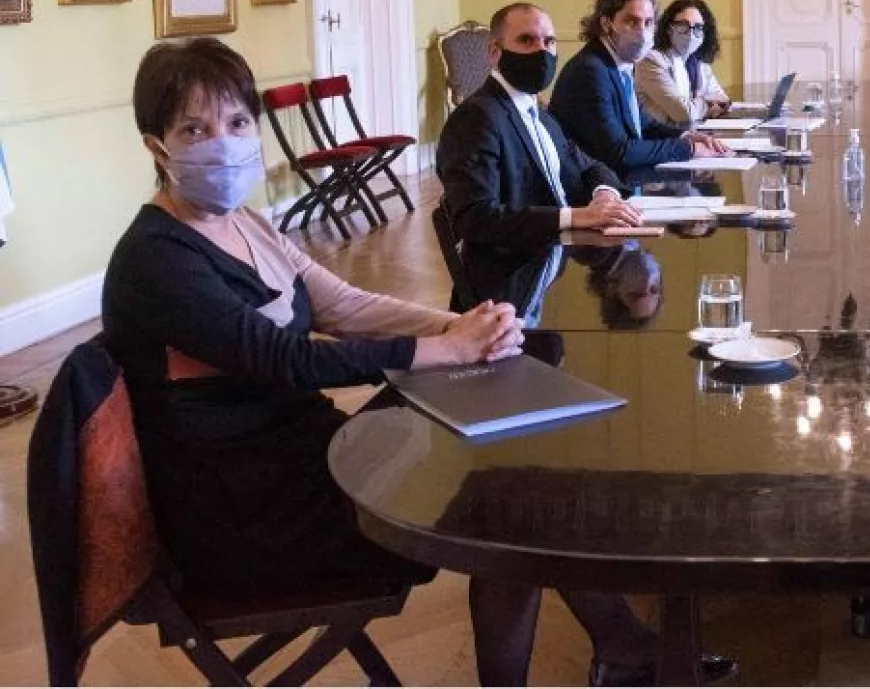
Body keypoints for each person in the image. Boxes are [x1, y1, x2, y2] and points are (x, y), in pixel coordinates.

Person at [103, 37, 734, 688]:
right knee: (511, 507)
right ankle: (616, 647)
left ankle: (623, 643)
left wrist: (456, 327)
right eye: (195, 130)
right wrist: (442, 350)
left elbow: (341, 304)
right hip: (247, 512)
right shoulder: (157, 259)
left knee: (521, 456)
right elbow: (286, 360)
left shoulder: (243, 221)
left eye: (238, 123)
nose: (224, 143)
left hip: (301, 456)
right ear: (157, 146)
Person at [437, 2, 644, 257]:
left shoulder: (540, 114)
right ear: (494, 52)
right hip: (514, 269)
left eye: (549, 41)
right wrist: (577, 216)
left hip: (559, 253)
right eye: (526, 40)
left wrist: (604, 195)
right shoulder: (475, 118)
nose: (542, 51)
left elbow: (589, 166)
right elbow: (475, 218)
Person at [548, 0, 730, 173]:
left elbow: (644, 124)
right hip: (592, 184)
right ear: (606, 23)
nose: (642, 31)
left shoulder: (619, 63)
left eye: (648, 22)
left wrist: (686, 136)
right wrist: (689, 149)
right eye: (632, 21)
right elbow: (619, 152)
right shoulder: (592, 70)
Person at [635, 0, 732, 127]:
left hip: (691, 131)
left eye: (698, 27)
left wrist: (698, 107)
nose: (691, 33)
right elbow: (683, 113)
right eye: (683, 25)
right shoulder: (651, 61)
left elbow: (723, 100)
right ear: (669, 28)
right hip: (659, 135)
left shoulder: (700, 63)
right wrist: (708, 104)